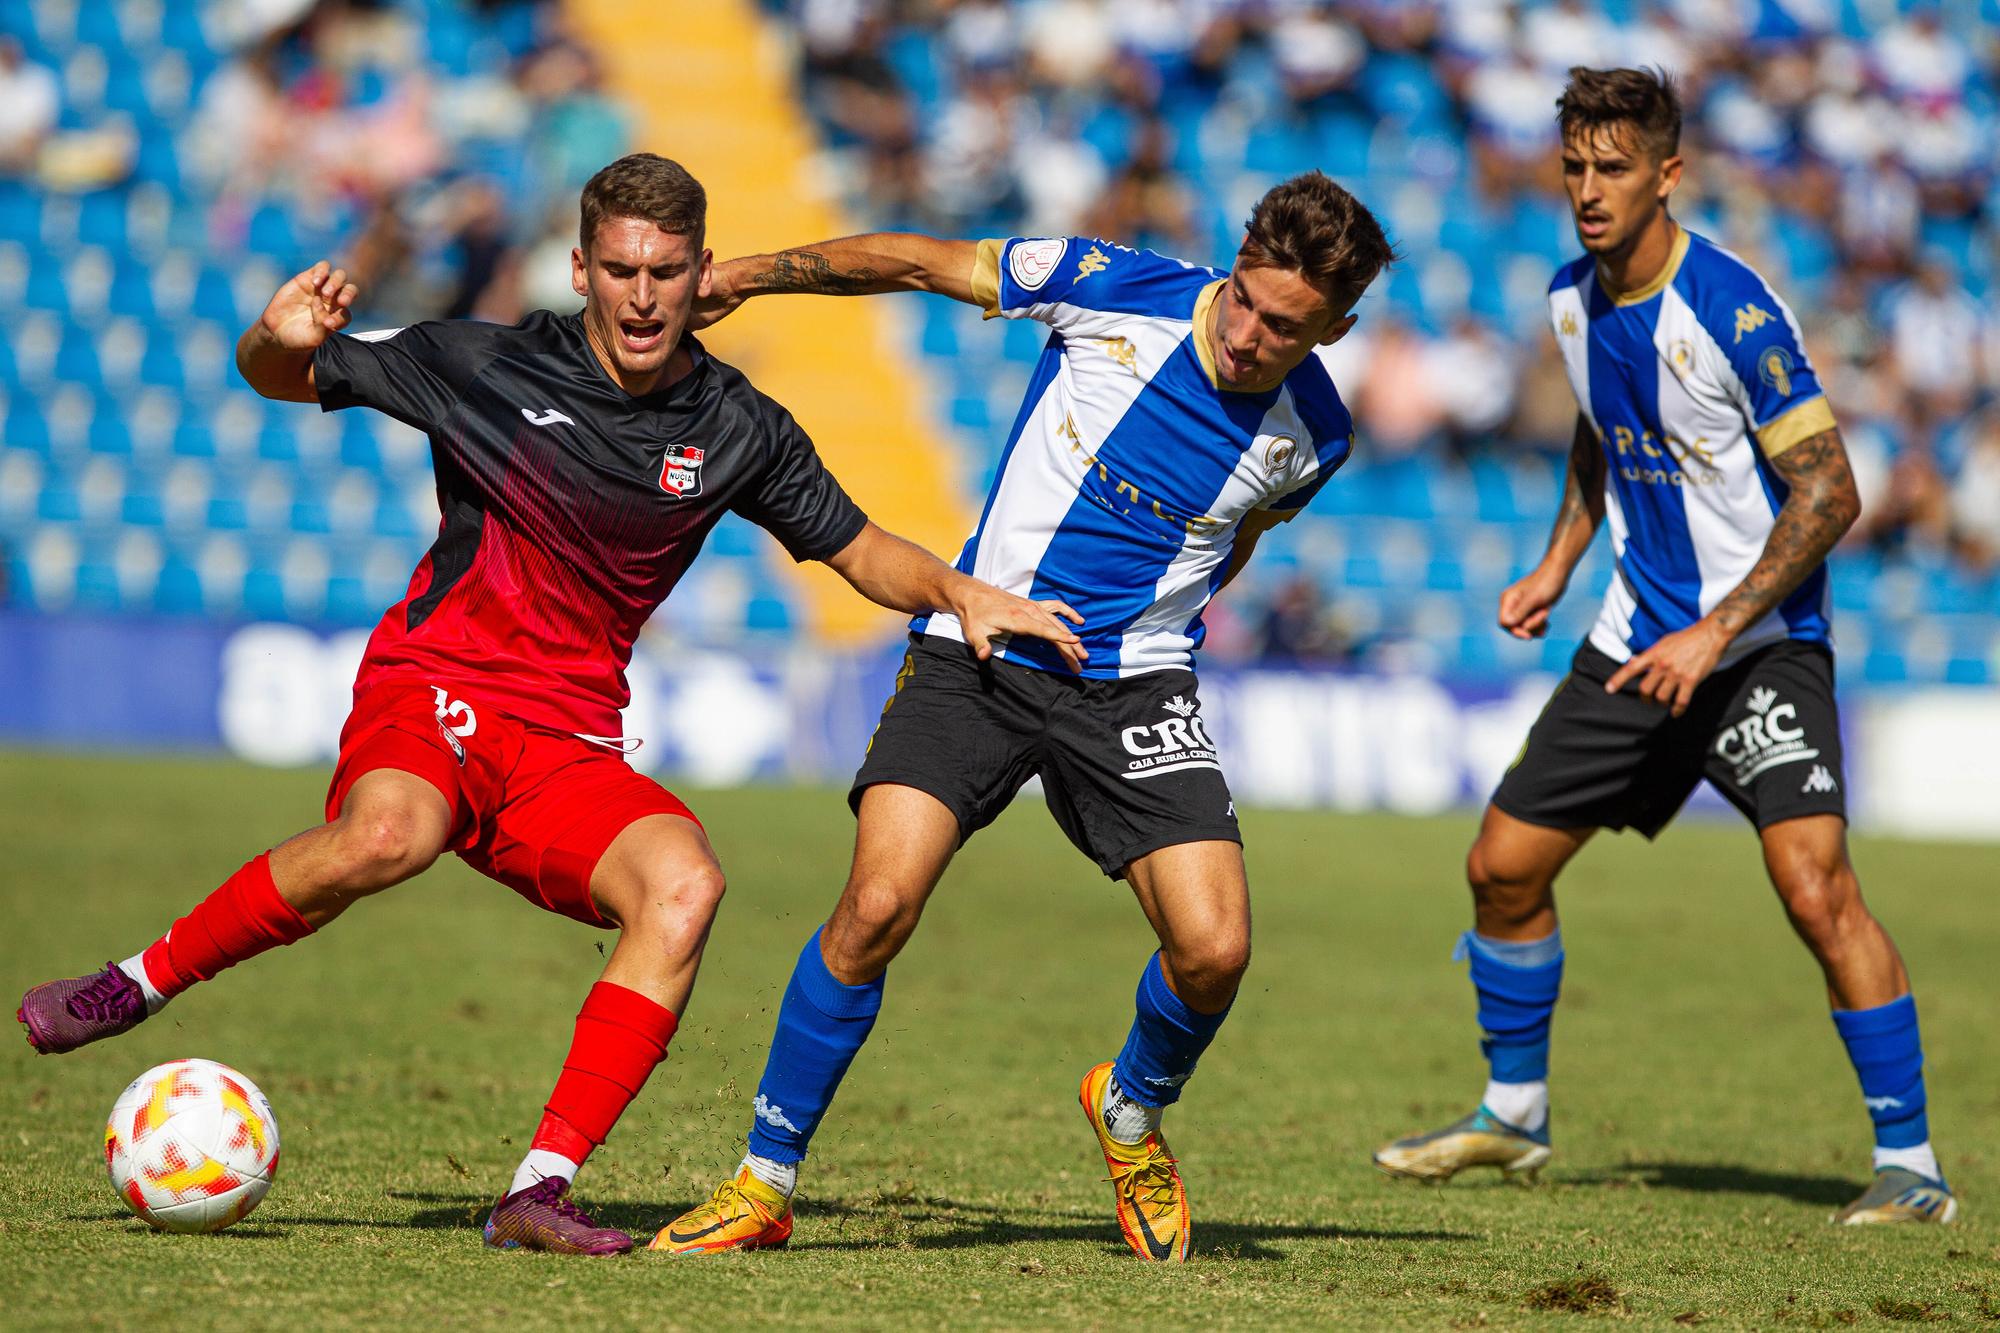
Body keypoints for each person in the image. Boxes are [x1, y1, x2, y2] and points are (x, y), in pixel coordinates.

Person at [16, 153, 1083, 1255]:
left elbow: (858, 550)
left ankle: (538, 1187)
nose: (641, 293)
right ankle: (134, 983)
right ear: (579, 268)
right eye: (618, 267)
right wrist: (270, 337)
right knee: (390, 833)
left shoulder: (737, 425)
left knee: (685, 885)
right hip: (435, 685)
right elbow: (282, 376)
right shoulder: (477, 362)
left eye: (665, 270)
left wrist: (956, 590)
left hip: (566, 740)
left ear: (699, 272)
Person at [649, 172, 1394, 1262]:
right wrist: (742, 281)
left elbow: (1237, 536)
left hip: (1131, 686)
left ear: (1336, 327)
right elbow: (911, 261)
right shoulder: (1109, 288)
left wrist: (1159, 633)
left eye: (1285, 328)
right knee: (875, 904)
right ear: (1231, 264)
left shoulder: (1313, 437)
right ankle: (762, 1181)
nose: (1246, 335)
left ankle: (1129, 1109)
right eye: (1242, 299)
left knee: (1214, 949)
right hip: (980, 647)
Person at [1372, 68, 1957, 1227]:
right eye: (1573, 169)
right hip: (1636, 638)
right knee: (1500, 867)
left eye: (1612, 169)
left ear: (1666, 174)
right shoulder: (1565, 298)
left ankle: (1912, 1166)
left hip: (1757, 643)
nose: (1586, 192)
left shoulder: (1734, 312)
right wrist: (1554, 563)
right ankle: (1514, 1110)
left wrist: (1715, 630)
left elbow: (1830, 492)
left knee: (1813, 886)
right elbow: (1602, 442)